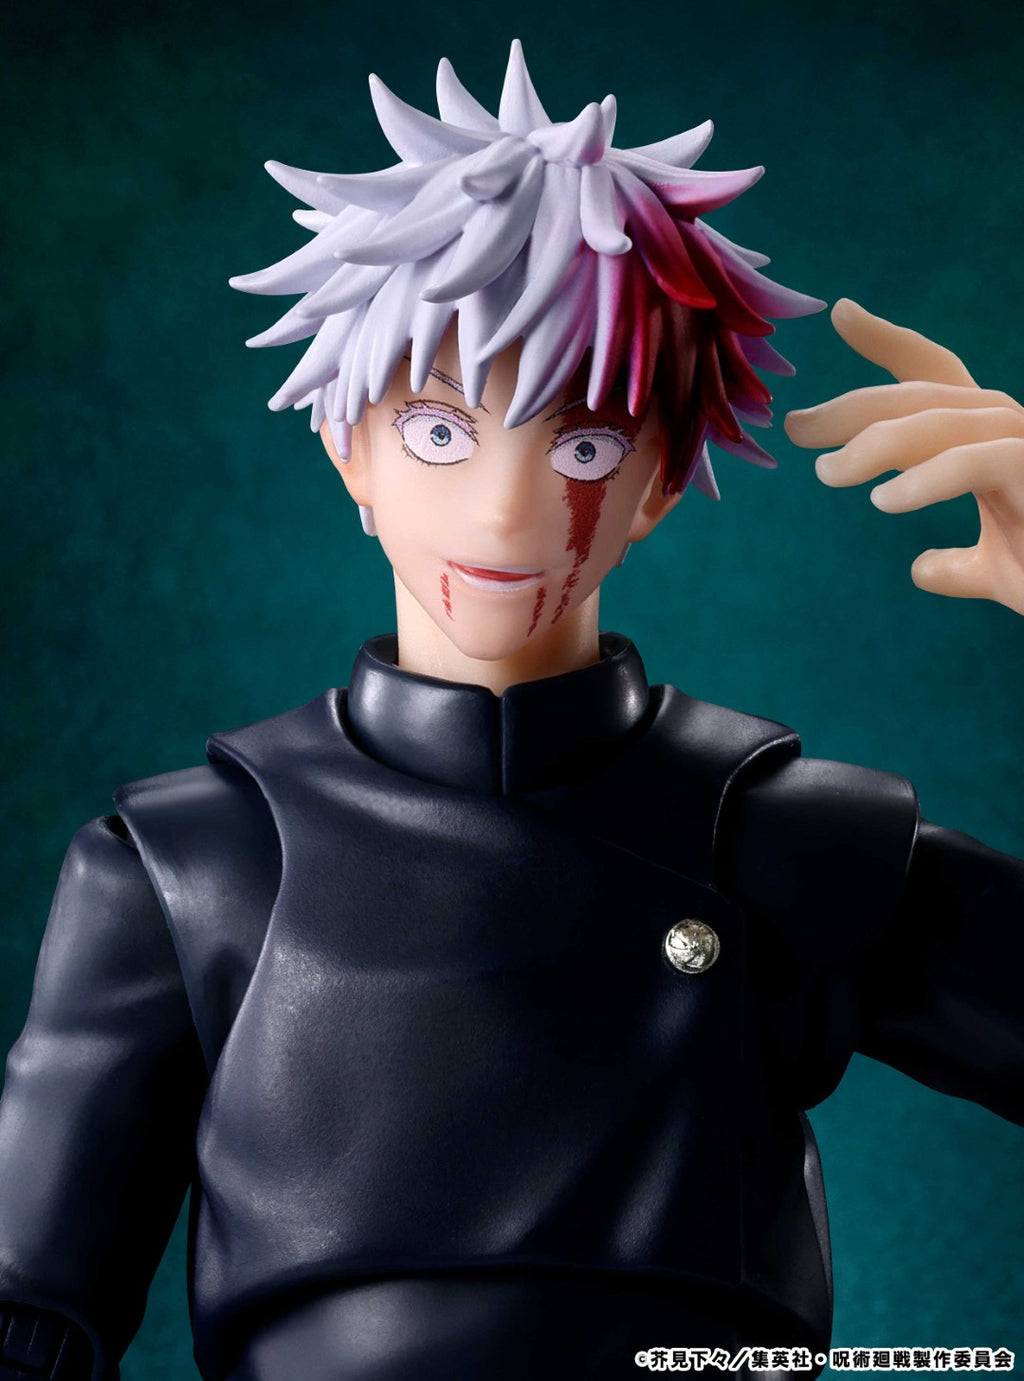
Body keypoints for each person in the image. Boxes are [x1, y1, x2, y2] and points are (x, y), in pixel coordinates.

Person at [0, 41, 1021, 1381]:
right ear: (347, 443)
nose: (503, 513)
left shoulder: (787, 841)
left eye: (585, 445)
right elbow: (27, 1313)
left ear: (662, 480)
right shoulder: (194, 864)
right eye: (439, 431)